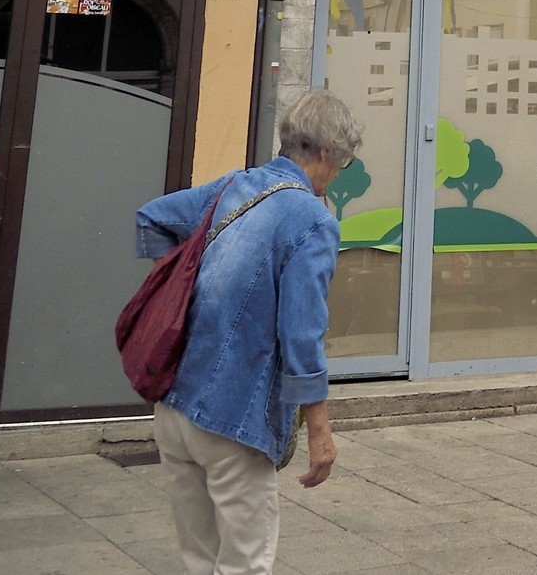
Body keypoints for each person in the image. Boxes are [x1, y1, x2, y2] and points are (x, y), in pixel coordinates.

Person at [135, 88, 365, 575]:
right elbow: (303, 334)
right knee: (244, 565)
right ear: (325, 153)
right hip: (233, 418)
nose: (335, 178)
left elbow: (152, 217)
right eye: (340, 164)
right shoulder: (312, 219)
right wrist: (320, 431)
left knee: (200, 560)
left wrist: (184, 286)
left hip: (174, 406)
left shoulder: (231, 188)